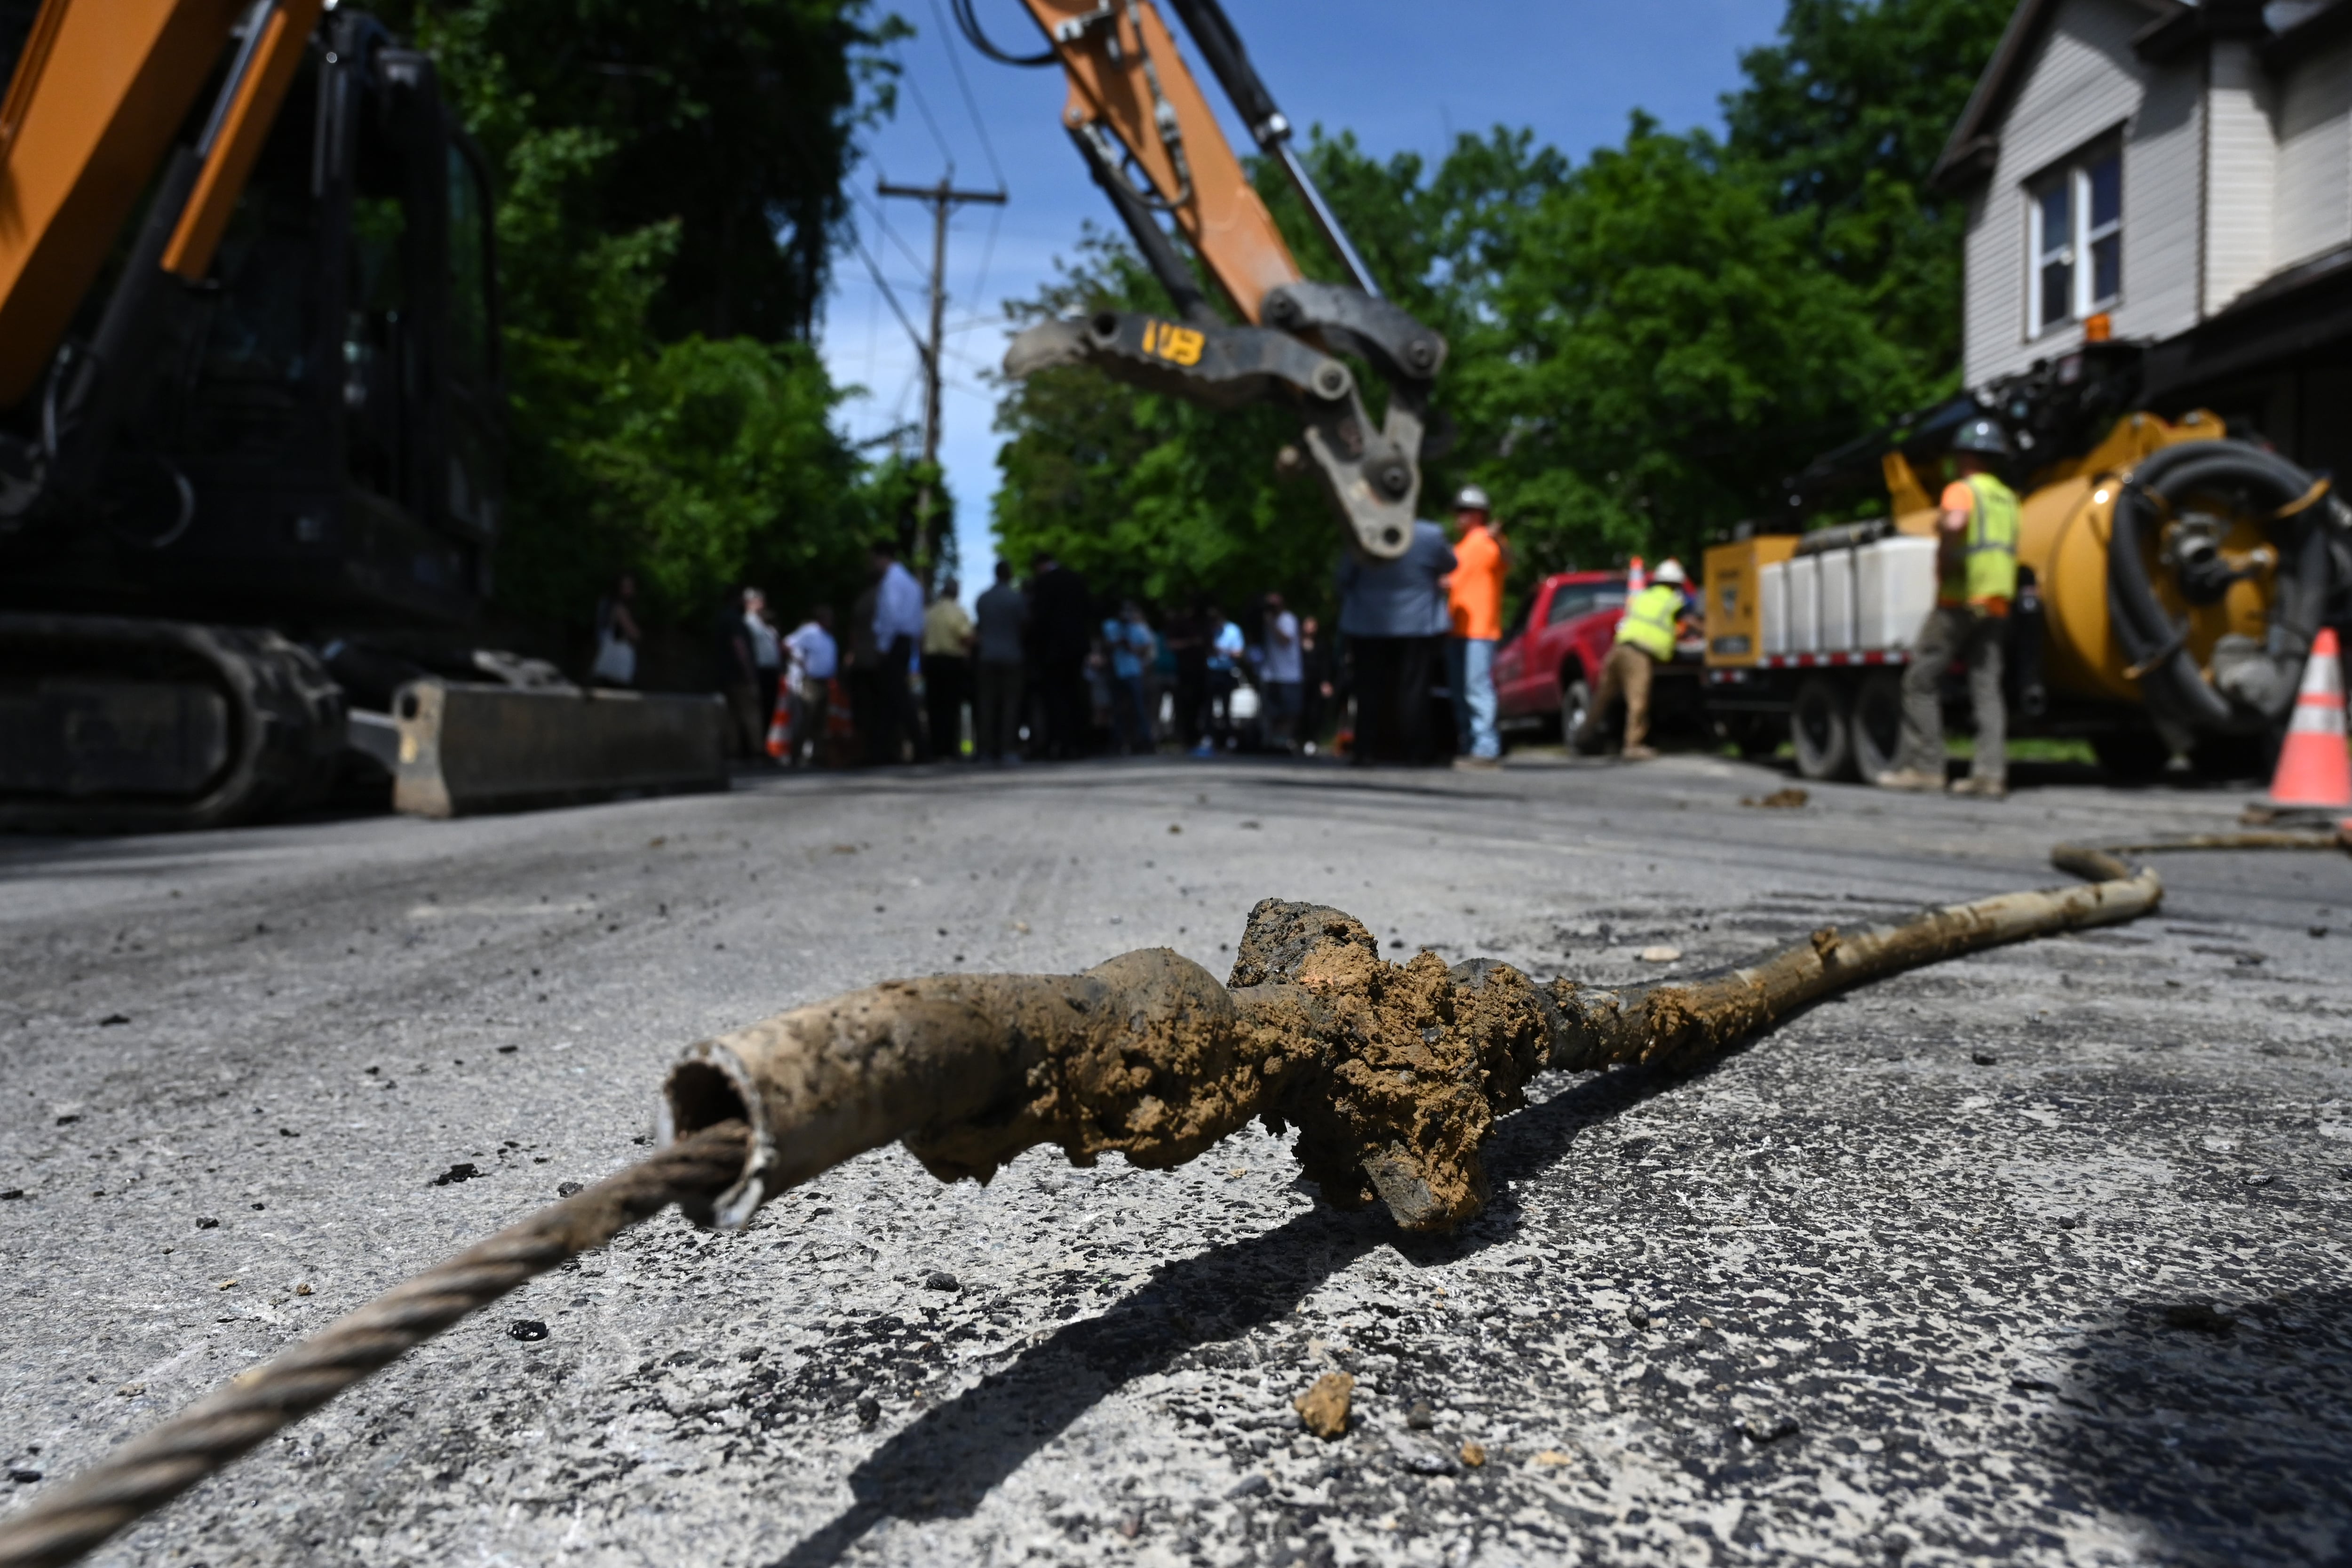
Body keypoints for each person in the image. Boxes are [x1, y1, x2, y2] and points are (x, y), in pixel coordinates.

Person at [1877, 417, 2019, 798]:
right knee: (1987, 687)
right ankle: (1990, 774)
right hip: (1998, 602)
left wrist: (1947, 556)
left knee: (1920, 679)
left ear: (1966, 457)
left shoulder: (1961, 490)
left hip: (1961, 598)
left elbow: (1955, 521)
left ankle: (1925, 769)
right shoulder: (2007, 498)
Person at [1336, 520, 1457, 764]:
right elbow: (1451, 563)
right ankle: (1416, 751)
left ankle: (1365, 750)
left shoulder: (1364, 531)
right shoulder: (1431, 534)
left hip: (1367, 622)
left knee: (1368, 690)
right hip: (1417, 622)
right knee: (1414, 690)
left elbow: (1344, 576)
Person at [1575, 558, 1691, 762]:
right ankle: (1633, 746)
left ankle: (1584, 738)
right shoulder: (1673, 600)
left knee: (1602, 697)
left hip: (1618, 648)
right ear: (1675, 583)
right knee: (1638, 701)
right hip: (1638, 654)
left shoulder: (1644, 596)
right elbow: (1689, 621)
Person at [1445, 486, 1509, 768]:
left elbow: (1508, 560)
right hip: (1456, 629)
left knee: (1477, 689)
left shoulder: (1488, 542)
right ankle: (1470, 745)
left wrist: (1501, 542)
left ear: (1479, 515)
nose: (1458, 517)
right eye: (1457, 511)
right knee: (1460, 692)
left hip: (1480, 630)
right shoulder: (1457, 549)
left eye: (1464, 511)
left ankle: (1486, 749)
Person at [1027, 552, 1094, 759]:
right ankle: (1080, 743)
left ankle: (1060, 743)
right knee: (1075, 694)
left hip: (1053, 650)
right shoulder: (1076, 579)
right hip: (1076, 647)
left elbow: (1040, 619)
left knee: (1056, 698)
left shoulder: (1044, 583)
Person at [863, 541, 925, 764]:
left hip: (894, 643)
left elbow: (890, 617)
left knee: (896, 696)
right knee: (892, 699)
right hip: (905, 641)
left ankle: (916, 746)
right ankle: (884, 749)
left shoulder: (892, 582)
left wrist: (882, 647)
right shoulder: (910, 582)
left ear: (882, 557)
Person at [972, 561, 1027, 763]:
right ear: (1010, 575)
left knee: (987, 704)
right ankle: (1008, 749)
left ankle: (986, 749)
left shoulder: (983, 599)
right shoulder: (1016, 599)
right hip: (1012, 655)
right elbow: (1024, 625)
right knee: (1010, 704)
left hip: (987, 656)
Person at [922, 577, 974, 762]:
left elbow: (920, 637)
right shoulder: (958, 612)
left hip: (932, 662)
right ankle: (951, 749)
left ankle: (937, 748)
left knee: (934, 707)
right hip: (952, 663)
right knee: (951, 707)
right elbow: (966, 637)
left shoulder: (930, 612)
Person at [785, 605, 840, 767]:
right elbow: (788, 644)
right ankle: (796, 754)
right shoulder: (810, 631)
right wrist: (800, 662)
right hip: (811, 681)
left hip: (825, 682)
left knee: (820, 721)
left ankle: (817, 755)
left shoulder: (828, 636)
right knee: (807, 717)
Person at [1103, 600, 1156, 754]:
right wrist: (1118, 643)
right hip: (1116, 672)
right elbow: (1106, 645)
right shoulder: (1110, 626)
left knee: (1139, 709)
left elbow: (1147, 648)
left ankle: (1143, 741)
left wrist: (1132, 647)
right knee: (1118, 710)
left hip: (1133, 672)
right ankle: (1118, 743)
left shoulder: (1137, 629)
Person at [716, 588, 763, 758]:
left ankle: (733, 751)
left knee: (731, 716)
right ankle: (757, 751)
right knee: (750, 713)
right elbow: (739, 646)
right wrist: (749, 672)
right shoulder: (735, 620)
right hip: (739, 676)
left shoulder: (721, 619)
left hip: (724, 676)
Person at [1259, 592, 1305, 752]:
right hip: (1271, 674)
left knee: (1289, 712)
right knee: (1271, 712)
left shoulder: (1288, 619)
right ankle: (1270, 743)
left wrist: (1271, 624)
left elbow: (1285, 640)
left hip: (1289, 675)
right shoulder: (1265, 620)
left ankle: (1283, 742)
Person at [1197, 604, 1245, 756]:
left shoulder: (1233, 630)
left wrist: (1223, 651)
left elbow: (1239, 653)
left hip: (1227, 671)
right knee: (1209, 707)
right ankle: (1209, 738)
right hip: (1211, 671)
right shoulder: (1208, 631)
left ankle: (1229, 739)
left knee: (1226, 707)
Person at [744, 587, 783, 751]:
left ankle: (764, 747)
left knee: (769, 709)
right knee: (760, 709)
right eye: (758, 600)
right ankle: (755, 749)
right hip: (760, 670)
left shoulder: (762, 623)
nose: (762, 603)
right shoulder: (748, 622)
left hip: (770, 671)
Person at [590, 573, 641, 688]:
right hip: (617, 664)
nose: (629, 590)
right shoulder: (619, 608)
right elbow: (633, 633)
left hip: (608, 661)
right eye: (626, 587)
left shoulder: (608, 604)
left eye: (631, 587)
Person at [1298, 613, 1332, 752]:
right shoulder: (1297, 643)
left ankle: (1312, 739)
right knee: (1299, 711)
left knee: (1315, 712)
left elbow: (1326, 664)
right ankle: (1298, 739)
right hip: (1300, 681)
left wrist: (1326, 682)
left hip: (1316, 682)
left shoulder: (1321, 644)